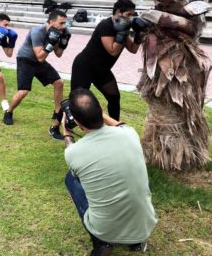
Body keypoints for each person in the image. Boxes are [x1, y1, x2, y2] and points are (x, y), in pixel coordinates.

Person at [62, 88, 157, 256]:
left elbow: (71, 152)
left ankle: (102, 243)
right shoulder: (130, 133)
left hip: (104, 231)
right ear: (100, 111)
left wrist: (66, 133)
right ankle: (135, 241)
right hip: (145, 226)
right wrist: (102, 115)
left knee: (71, 178)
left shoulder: (74, 153)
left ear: (76, 121)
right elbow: (121, 125)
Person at [70, 0, 148, 121]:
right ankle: (59, 126)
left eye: (131, 15)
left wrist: (140, 34)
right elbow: (113, 51)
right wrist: (122, 33)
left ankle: (115, 127)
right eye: (128, 14)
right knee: (77, 100)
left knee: (114, 97)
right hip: (85, 66)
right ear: (118, 12)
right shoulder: (106, 26)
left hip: (102, 70)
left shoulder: (123, 26)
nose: (130, 18)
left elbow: (133, 49)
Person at [2, 10, 71, 141]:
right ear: (51, 22)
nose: (63, 26)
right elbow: (39, 56)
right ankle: (9, 111)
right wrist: (50, 42)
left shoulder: (60, 32)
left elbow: (58, 54)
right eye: (61, 23)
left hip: (39, 61)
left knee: (59, 83)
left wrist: (63, 42)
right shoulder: (37, 31)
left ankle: (57, 114)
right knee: (23, 92)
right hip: (26, 59)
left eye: (65, 23)